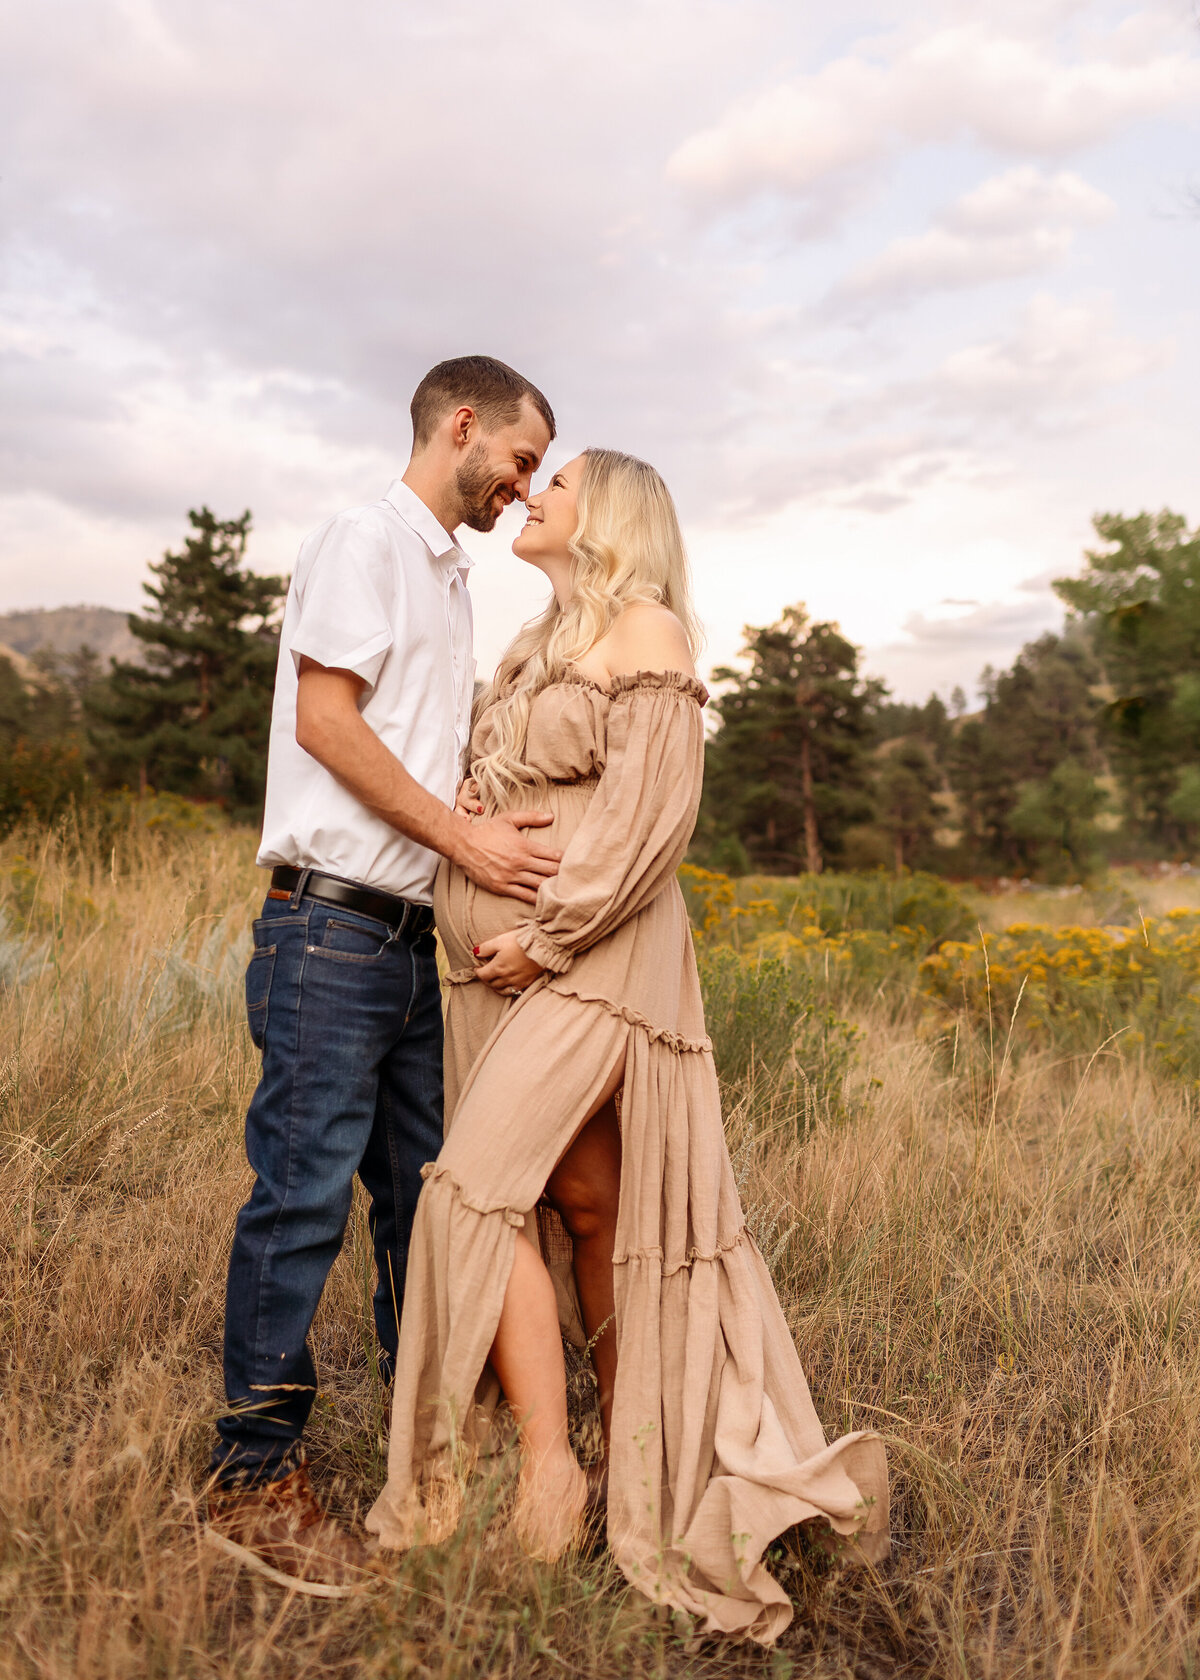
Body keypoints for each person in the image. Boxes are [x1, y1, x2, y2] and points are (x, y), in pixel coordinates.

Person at [366, 448, 889, 1643]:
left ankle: (553, 1470)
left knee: (470, 1194)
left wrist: (545, 939)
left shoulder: (646, 631)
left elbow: (654, 820)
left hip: (593, 963)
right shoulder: (538, 638)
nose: (534, 493)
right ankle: (618, 1440)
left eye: (559, 484)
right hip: (498, 972)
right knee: (590, 1204)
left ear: (607, 516)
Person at [204, 355, 563, 1596]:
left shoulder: (451, 579)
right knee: (301, 1198)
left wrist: (462, 809)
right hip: (331, 936)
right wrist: (463, 837)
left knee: (430, 1205)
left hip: (419, 943)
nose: (523, 491)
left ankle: (428, 1454)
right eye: (518, 460)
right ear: (461, 425)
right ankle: (250, 1477)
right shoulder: (366, 538)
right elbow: (326, 724)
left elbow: (401, 742)